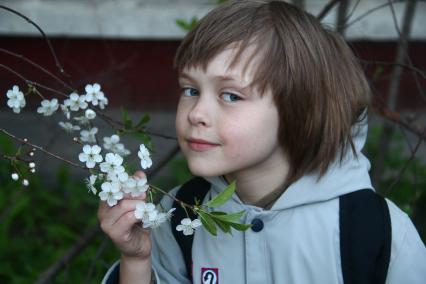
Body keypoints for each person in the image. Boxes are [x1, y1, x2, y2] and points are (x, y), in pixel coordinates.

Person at [98, 1, 426, 283]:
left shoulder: (374, 231)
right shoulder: (182, 216)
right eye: (191, 90)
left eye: (230, 95)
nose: (197, 113)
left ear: (300, 107)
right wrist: (138, 262)